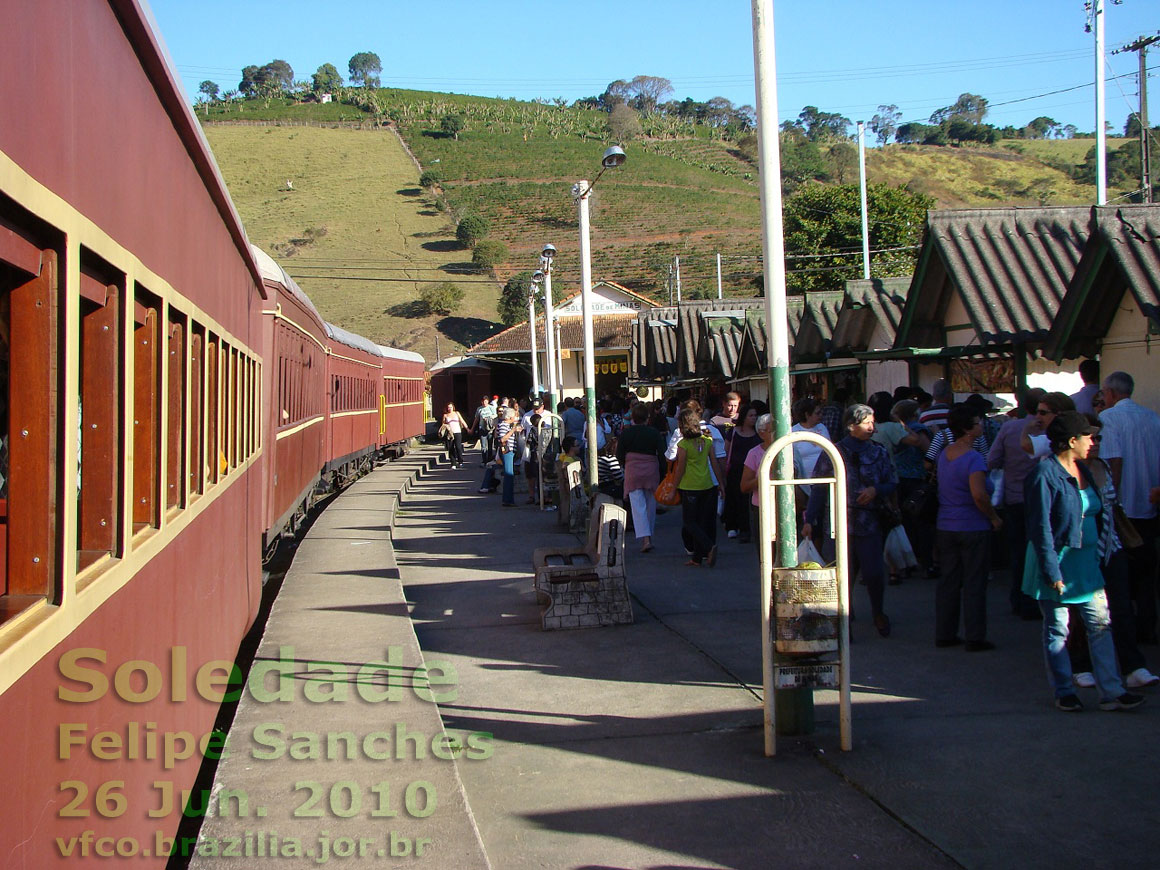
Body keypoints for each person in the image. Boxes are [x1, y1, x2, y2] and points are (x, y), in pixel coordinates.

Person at [1022, 411, 1144, 712]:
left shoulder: (1085, 469)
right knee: (1058, 629)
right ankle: (1064, 690)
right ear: (1072, 440)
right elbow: (1040, 527)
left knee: (1100, 625)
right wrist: (1051, 569)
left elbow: (1099, 511)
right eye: (1090, 436)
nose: (1095, 441)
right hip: (1059, 563)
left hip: (1088, 563)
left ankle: (1112, 691)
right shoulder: (1044, 474)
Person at [1065, 416, 1159, 689]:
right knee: (1080, 610)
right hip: (1081, 549)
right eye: (1089, 437)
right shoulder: (1065, 470)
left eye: (1098, 438)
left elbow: (1112, 506)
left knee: (1120, 607)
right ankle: (1080, 665)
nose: (1094, 444)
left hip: (1111, 546)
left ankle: (1133, 666)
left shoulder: (1103, 466)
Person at [803, 404, 898, 637]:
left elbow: (892, 482)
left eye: (872, 421)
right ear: (851, 426)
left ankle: (878, 612)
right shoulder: (834, 452)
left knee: (874, 572)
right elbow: (819, 488)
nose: (871, 427)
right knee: (841, 574)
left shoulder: (879, 452)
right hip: (838, 523)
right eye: (866, 422)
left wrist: (876, 490)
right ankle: (844, 618)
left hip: (869, 521)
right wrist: (809, 519)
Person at [1098, 370, 1160, 645]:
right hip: (1150, 502)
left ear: (1110, 393)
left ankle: (1125, 631)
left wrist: (1111, 502)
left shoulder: (1109, 418)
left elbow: (1114, 461)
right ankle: (1147, 625)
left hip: (1124, 507)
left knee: (1120, 573)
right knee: (1147, 570)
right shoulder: (1152, 417)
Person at [935, 404, 1003, 651]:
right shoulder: (974, 458)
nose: (981, 425)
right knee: (974, 581)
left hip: (946, 524)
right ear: (967, 428)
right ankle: (975, 635)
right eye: (977, 422)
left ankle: (945, 632)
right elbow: (979, 495)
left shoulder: (944, 454)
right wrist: (994, 517)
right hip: (972, 525)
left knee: (949, 581)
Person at [988, 388, 1046, 619]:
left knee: (1019, 551)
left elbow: (992, 460)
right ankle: (1038, 597)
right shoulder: (1049, 429)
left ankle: (1020, 599)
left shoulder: (1010, 427)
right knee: (1042, 548)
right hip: (1042, 497)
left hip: (1015, 497)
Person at [672, 408, 726, 567]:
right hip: (708, 485)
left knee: (690, 522)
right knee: (702, 521)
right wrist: (721, 484)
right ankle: (697, 557)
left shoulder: (683, 445)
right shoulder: (707, 441)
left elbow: (680, 468)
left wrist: (673, 488)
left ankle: (709, 547)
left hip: (690, 486)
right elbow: (714, 464)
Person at [617, 402, 667, 553]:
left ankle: (645, 539)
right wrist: (663, 472)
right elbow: (662, 453)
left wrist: (625, 464)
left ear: (632, 418)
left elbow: (619, 454)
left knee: (638, 506)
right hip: (651, 469)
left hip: (632, 470)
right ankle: (648, 536)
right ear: (647, 417)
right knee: (650, 504)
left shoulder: (626, 433)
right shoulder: (654, 433)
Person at [723, 403, 762, 542]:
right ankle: (733, 526)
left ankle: (746, 529)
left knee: (748, 501)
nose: (754, 418)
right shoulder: (733, 432)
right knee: (734, 498)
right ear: (744, 417)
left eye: (755, 415)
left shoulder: (759, 434)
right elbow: (726, 451)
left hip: (754, 471)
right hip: (735, 470)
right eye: (751, 415)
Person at [740, 413, 775, 548]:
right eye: (773, 431)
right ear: (762, 433)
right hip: (762, 506)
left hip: (787, 506)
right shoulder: (754, 454)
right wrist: (765, 474)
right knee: (766, 550)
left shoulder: (790, 450)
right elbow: (744, 486)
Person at [471, 394, 497, 465]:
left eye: (485, 401)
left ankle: (490, 459)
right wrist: (472, 428)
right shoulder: (479, 409)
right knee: (483, 446)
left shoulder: (491, 408)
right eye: (483, 401)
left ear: (488, 401)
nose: (484, 403)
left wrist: (489, 418)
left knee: (490, 445)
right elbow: (476, 418)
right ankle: (484, 460)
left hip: (490, 429)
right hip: (482, 428)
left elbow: (495, 416)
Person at [441, 403, 468, 467]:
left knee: (458, 447)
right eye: (448, 407)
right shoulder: (445, 415)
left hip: (457, 432)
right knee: (451, 448)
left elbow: (462, 421)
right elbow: (443, 425)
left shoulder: (457, 413)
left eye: (451, 407)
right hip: (450, 434)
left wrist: (468, 429)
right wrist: (446, 426)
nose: (450, 408)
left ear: (453, 407)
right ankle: (453, 463)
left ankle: (460, 461)